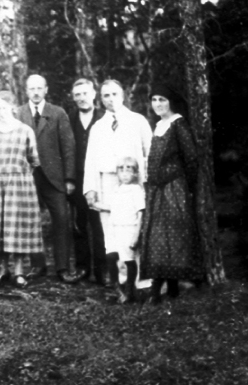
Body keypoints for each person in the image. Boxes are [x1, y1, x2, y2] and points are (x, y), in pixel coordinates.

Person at [84, 79, 153, 290]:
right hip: (107, 184)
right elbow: (91, 160)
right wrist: (90, 189)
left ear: (123, 96)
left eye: (115, 94)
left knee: (132, 230)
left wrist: (148, 183)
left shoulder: (137, 121)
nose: (111, 99)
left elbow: (150, 153)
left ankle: (142, 279)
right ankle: (121, 281)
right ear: (101, 99)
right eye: (106, 95)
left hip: (133, 183)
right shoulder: (98, 127)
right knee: (112, 232)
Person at [139, 85, 204, 302]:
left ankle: (162, 288)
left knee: (173, 237)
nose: (158, 104)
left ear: (171, 102)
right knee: (157, 236)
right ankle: (167, 287)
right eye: (154, 100)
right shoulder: (159, 125)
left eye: (162, 99)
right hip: (157, 190)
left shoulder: (178, 124)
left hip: (174, 189)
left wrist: (187, 187)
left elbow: (191, 158)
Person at [16, 74, 80, 284]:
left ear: (46, 90)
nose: (35, 92)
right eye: (31, 88)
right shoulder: (18, 113)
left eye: (39, 88)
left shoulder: (58, 113)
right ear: (26, 91)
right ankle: (38, 265)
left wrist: (69, 179)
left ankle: (62, 267)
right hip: (27, 177)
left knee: (61, 220)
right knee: (31, 221)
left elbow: (68, 147)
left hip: (55, 177)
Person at [0, 91, 43, 288]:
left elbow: (34, 160)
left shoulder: (25, 130)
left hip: (18, 184)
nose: (1, 111)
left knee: (16, 227)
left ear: (13, 108)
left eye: (4, 107)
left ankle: (18, 271)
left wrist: (19, 176)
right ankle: (2, 269)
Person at [67, 79, 107, 284]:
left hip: (100, 179)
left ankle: (103, 271)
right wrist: (69, 179)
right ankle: (83, 268)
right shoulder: (69, 119)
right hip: (77, 180)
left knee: (100, 225)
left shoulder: (104, 117)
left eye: (85, 93)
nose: (81, 98)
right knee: (79, 224)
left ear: (93, 94)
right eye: (77, 95)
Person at [95, 157, 145, 303]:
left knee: (129, 260)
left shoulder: (136, 190)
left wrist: (136, 235)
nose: (124, 174)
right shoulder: (116, 189)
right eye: (121, 171)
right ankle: (117, 288)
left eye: (129, 171)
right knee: (111, 256)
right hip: (114, 227)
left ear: (135, 173)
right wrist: (96, 205)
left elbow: (141, 213)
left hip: (128, 228)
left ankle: (129, 290)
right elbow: (114, 207)